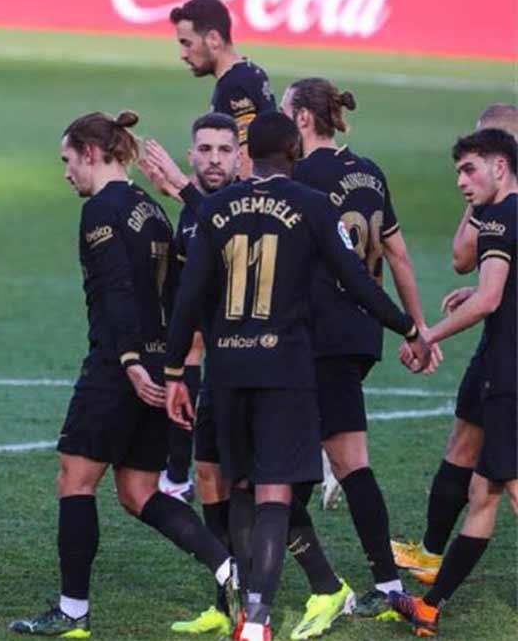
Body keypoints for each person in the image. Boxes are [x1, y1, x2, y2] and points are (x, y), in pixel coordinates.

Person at [162, 112, 430, 641]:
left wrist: (175, 372)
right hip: (284, 369)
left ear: (246, 155)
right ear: (293, 154)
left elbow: (188, 297)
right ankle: (258, 622)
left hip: (228, 369)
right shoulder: (311, 205)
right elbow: (356, 280)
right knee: (274, 496)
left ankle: (248, 615)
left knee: (239, 487)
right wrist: (407, 327)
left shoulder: (214, 209)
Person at [8, 111, 237, 639]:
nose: (66, 172)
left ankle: (72, 611)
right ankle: (228, 565)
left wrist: (131, 361)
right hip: (160, 363)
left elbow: (117, 291)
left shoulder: (102, 210)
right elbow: (178, 295)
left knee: (75, 478)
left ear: (91, 152)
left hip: (120, 366)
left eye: (68, 160)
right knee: (137, 490)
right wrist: (169, 362)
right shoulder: (151, 210)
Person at [142, 118, 355, 641]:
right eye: (203, 150)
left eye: (223, 150)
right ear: (191, 154)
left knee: (267, 492)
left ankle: (300, 596)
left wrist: (183, 191)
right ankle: (231, 602)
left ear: (242, 157)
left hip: (267, 370)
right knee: (218, 483)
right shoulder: (192, 220)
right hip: (216, 374)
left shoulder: (247, 209)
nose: (213, 159)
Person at [281, 77, 439, 618]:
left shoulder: (302, 177)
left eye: (286, 113)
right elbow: (399, 258)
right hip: (362, 335)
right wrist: (419, 330)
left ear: (303, 119)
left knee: (329, 464)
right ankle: (378, 583)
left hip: (316, 334)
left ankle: (280, 575)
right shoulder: (368, 171)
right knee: (329, 459)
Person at [389, 128, 517, 637]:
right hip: (506, 367)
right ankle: (431, 605)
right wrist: (485, 290)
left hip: (509, 373)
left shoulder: (499, 219)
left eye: (470, 169)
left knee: (506, 486)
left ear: (500, 167)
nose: (462, 182)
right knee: (482, 489)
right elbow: (492, 292)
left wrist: (427, 336)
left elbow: (489, 300)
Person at [170, 0, 275, 179]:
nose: (183, 55)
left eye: (187, 43)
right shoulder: (251, 72)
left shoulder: (233, 85)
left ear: (213, 39)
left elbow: (246, 165)